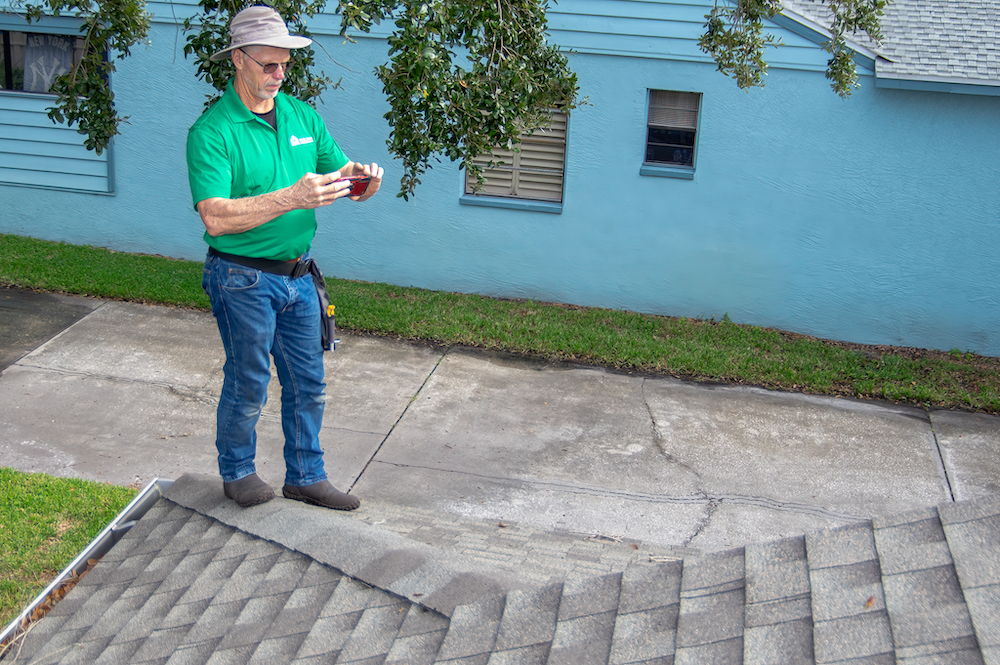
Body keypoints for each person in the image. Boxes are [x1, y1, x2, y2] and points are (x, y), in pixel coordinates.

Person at [186, 5, 383, 510]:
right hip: (241, 278)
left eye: (285, 66)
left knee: (309, 384)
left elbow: (339, 176)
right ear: (237, 59)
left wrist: (362, 183)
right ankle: (237, 472)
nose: (278, 75)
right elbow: (215, 217)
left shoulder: (301, 116)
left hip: (298, 277)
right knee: (249, 382)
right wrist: (291, 197)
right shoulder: (212, 131)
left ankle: (306, 475)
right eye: (268, 65)